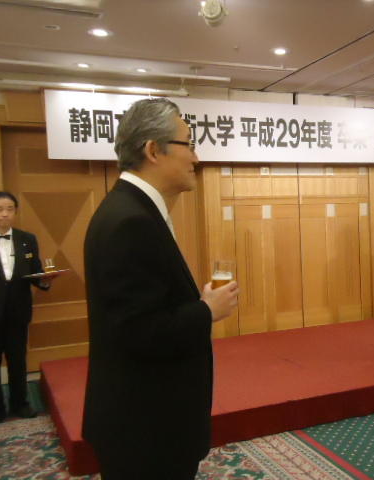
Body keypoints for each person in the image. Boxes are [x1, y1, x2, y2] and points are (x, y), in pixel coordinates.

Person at [82, 98, 239, 479]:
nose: (196, 158)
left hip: (144, 421)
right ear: (153, 150)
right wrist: (207, 310)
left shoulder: (131, 209)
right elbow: (140, 331)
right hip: (146, 428)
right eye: (189, 144)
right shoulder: (130, 221)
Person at [0, 191, 54, 423]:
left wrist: (45, 280)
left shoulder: (27, 239)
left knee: (18, 360)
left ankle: (20, 403)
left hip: (18, 311)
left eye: (10, 209)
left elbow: (35, 272)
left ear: (15, 212)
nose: (5, 214)